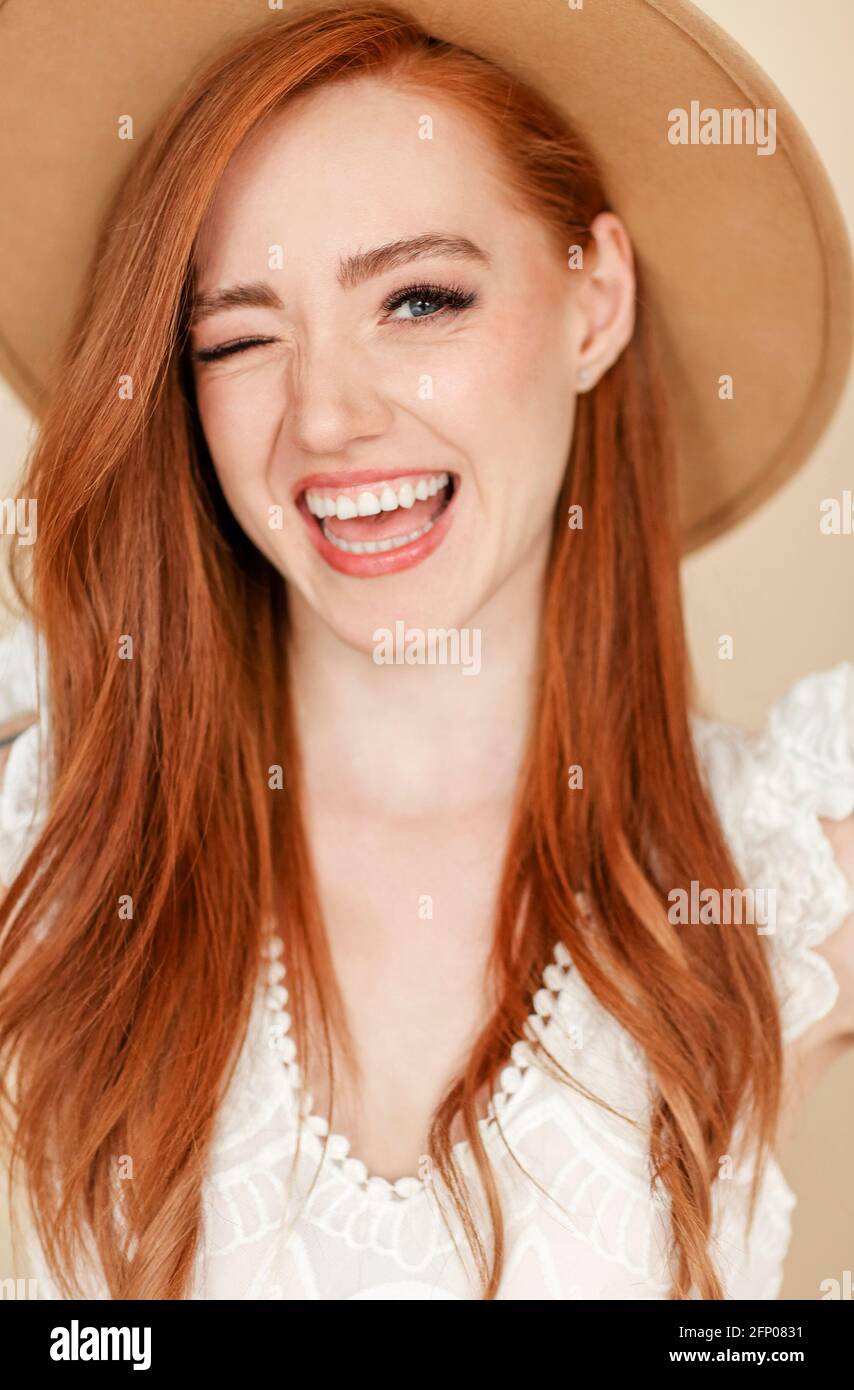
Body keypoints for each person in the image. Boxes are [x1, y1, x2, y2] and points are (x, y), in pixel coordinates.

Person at [0, 2, 852, 1301]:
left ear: (593, 299)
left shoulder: (784, 869)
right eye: (239, 336)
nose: (327, 417)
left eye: (416, 298)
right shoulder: (42, 847)